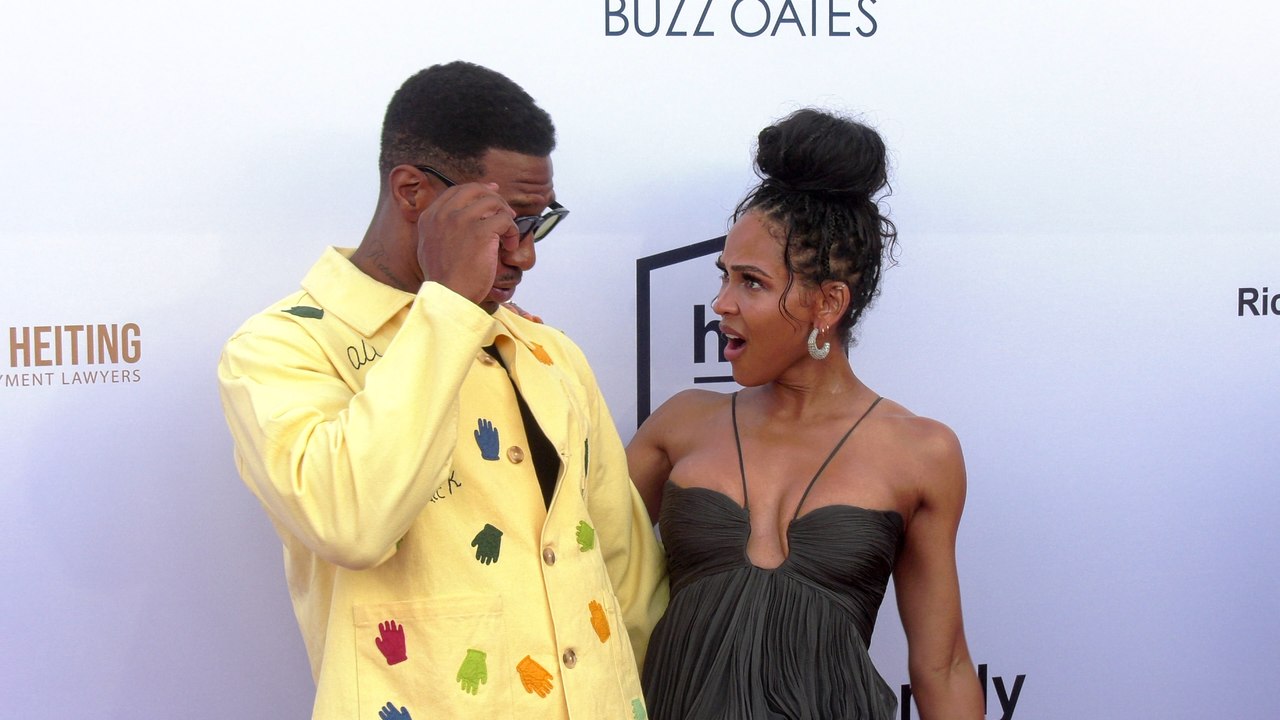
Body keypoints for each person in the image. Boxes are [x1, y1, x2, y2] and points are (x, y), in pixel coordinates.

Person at [217, 61, 667, 720]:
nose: (525, 254)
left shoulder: (550, 353)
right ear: (412, 193)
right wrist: (450, 304)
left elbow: (627, 580)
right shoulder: (278, 350)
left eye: (538, 223)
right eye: (506, 220)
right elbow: (352, 524)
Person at [628, 109, 983, 719]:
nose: (722, 303)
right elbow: (575, 577)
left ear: (828, 303)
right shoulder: (679, 426)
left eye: (752, 283)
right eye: (724, 277)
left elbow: (941, 665)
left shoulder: (922, 453)